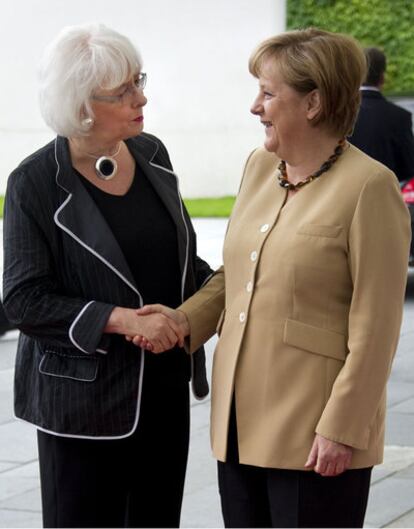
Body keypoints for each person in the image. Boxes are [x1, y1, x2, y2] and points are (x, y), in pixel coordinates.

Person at [131, 28, 411, 528]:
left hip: (315, 431)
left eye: (267, 92)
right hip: (240, 421)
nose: (254, 107)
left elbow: (378, 326)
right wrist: (182, 320)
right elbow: (236, 275)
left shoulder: (371, 187)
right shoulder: (261, 167)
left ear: (313, 103)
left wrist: (342, 427)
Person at [2, 23, 212, 528]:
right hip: (81, 404)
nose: (142, 97)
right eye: (124, 91)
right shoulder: (33, 183)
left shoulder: (152, 153)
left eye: (139, 80)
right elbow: (24, 300)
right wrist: (121, 320)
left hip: (162, 388)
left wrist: (222, 298)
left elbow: (183, 262)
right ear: (81, 105)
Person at [349, 47, 414, 183]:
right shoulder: (400, 117)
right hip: (383, 194)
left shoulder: (337, 112)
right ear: (382, 77)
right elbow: (408, 167)